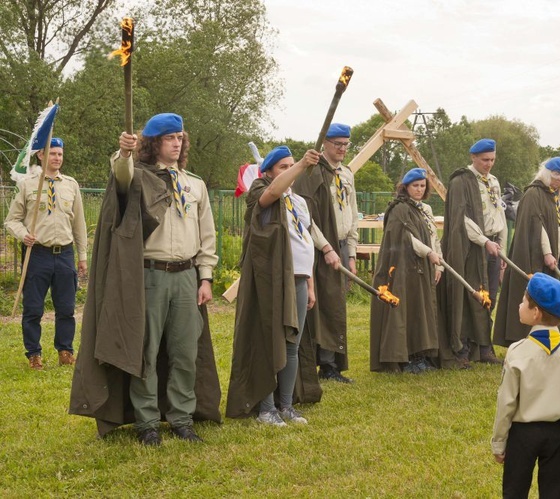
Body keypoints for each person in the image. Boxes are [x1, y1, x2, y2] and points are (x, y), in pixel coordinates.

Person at [69, 113, 222, 445]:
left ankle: (181, 417)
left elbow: (207, 235)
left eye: (180, 137)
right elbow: (121, 177)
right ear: (154, 143)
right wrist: (123, 153)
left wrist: (206, 277)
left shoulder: (195, 184)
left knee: (185, 352)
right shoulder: (139, 177)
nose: (177, 143)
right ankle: (147, 421)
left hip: (186, 277)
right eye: (169, 138)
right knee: (146, 352)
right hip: (150, 275)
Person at [226, 146, 341, 425]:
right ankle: (266, 408)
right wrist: (300, 165)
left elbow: (305, 243)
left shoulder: (299, 202)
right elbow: (272, 194)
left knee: (293, 342)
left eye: (292, 165)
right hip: (273, 280)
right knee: (270, 342)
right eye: (283, 167)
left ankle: (286, 405)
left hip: (300, 279)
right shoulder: (260, 192)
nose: (290, 171)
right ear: (268, 171)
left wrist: (311, 284)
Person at [491, 272, 560, 499]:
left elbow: (507, 402)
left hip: (523, 435)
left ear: (535, 313)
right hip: (558, 435)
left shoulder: (518, 352)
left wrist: (499, 442)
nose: (519, 304)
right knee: (553, 493)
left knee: (514, 491)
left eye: (524, 300)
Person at [5, 137, 87, 370]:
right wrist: (24, 235)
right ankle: (34, 354)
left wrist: (82, 256)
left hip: (64, 255)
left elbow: (79, 225)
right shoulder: (28, 185)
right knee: (33, 308)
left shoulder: (71, 185)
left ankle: (65, 351)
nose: (57, 158)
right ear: (41, 156)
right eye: (52, 154)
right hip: (37, 254)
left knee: (66, 308)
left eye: (60, 154)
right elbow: (12, 221)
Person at [494, 157, 560, 348]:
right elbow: (537, 226)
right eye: (555, 176)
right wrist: (547, 252)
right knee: (540, 299)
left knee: (559, 296)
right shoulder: (534, 194)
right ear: (546, 173)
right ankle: (533, 338)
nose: (559, 180)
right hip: (540, 258)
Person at [292, 123, 357, 383]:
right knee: (317, 303)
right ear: (325, 144)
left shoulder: (347, 174)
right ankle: (318, 362)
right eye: (337, 144)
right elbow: (305, 216)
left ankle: (331, 364)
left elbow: (351, 213)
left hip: (340, 244)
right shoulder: (312, 172)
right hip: (318, 246)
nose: (342, 149)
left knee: (335, 304)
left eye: (346, 145)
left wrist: (350, 252)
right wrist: (325, 247)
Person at [438, 138, 506, 369]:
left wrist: (501, 248)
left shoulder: (493, 181)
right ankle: (463, 348)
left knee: (490, 296)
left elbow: (500, 217)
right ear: (473, 157)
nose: (489, 164)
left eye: (492, 160)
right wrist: (483, 240)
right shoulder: (461, 181)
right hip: (471, 247)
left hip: (493, 246)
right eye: (485, 160)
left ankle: (484, 347)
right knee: (470, 296)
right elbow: (461, 219)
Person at [370, 168, 441, 374]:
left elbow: (431, 236)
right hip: (401, 269)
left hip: (418, 268)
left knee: (419, 310)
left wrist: (435, 259)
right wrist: (428, 253)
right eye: (415, 186)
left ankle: (419, 354)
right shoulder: (399, 209)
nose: (419, 189)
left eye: (422, 186)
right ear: (406, 187)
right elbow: (407, 238)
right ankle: (403, 357)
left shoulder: (420, 209)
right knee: (404, 311)